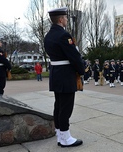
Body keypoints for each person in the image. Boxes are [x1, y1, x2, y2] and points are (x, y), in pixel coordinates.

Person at [44, 7, 84, 147]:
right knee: (66, 107)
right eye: (66, 18)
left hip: (56, 73)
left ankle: (60, 135)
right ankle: (66, 138)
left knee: (58, 106)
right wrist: (82, 69)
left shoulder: (48, 36)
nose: (67, 19)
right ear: (61, 19)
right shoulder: (64, 35)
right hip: (66, 75)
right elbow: (74, 56)